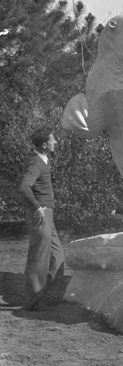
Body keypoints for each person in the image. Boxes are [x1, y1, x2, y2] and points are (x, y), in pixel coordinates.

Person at [18, 126, 65, 310]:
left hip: (48, 214)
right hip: (41, 214)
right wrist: (37, 207)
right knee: (39, 258)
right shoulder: (36, 163)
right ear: (45, 145)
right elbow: (23, 187)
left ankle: (51, 297)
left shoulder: (43, 161)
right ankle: (34, 301)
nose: (56, 142)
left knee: (58, 255)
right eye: (53, 140)